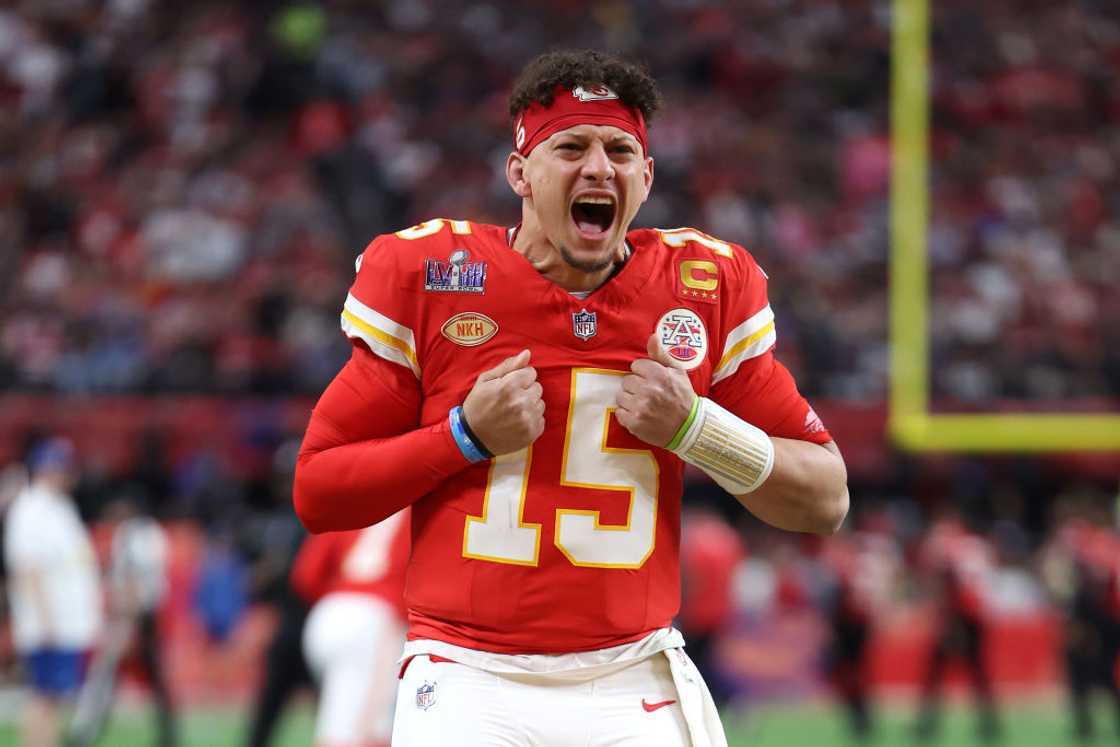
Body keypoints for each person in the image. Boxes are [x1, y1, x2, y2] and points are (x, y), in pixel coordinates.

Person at [293, 49, 849, 747]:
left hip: (632, 671)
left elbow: (826, 498)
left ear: (645, 177)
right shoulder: (435, 277)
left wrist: (696, 429)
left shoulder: (702, 288)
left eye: (621, 150)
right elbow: (318, 490)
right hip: (469, 671)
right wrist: (460, 436)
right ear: (519, 172)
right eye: (571, 147)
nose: (598, 167)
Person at [4, 437, 103, 747]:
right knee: (43, 697)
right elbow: (28, 567)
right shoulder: (32, 508)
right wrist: (44, 619)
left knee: (54, 697)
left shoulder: (58, 506)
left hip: (66, 623)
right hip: (50, 624)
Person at [291, 508, 410, 747]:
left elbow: (305, 574)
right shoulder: (417, 509)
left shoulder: (357, 503)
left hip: (328, 612)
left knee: (340, 715)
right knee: (365, 730)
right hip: (376, 620)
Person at [67, 493, 177, 747]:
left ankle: (85, 732)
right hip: (144, 613)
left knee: (107, 674)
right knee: (147, 679)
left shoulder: (136, 535)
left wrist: (127, 619)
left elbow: (133, 578)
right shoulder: (152, 533)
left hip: (135, 616)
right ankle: (167, 734)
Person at [914, 512, 1001, 742]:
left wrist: (951, 622)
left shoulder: (950, 547)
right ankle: (990, 724)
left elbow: (952, 584)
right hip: (979, 615)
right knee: (979, 672)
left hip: (960, 615)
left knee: (936, 671)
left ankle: (927, 724)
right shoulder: (979, 547)